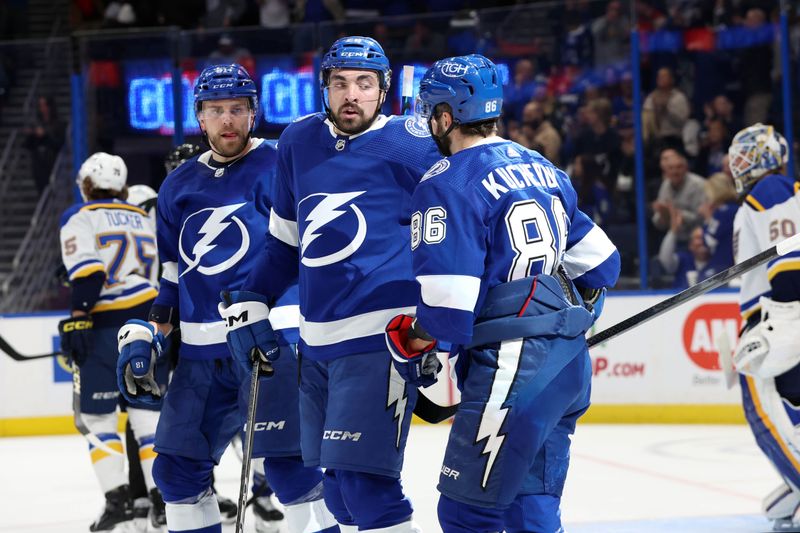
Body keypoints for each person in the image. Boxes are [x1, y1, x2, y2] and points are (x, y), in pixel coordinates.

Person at [384, 54, 620, 533]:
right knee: (530, 510)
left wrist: (411, 340)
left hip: (512, 366)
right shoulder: (543, 167)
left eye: (430, 111)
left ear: (446, 117)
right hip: (567, 365)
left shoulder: (446, 182)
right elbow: (603, 266)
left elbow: (448, 313)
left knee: (466, 513)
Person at [217, 36, 441, 532]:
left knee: (368, 487)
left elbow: (471, 216)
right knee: (338, 493)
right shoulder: (298, 141)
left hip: (382, 338)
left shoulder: (416, 142)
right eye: (340, 83)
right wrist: (252, 299)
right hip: (316, 346)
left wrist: (448, 321)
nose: (351, 95)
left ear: (383, 90)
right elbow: (283, 244)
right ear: (324, 88)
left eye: (364, 83)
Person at [114, 64, 335, 533]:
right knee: (175, 473)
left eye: (237, 109)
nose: (227, 120)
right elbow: (173, 279)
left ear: (253, 113)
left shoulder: (282, 163)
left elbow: (313, 251)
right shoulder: (176, 186)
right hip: (199, 355)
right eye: (216, 110)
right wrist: (151, 335)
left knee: (291, 472)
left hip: (270, 342)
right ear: (200, 116)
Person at [58, 152, 167, 532]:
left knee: (98, 418)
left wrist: (78, 317)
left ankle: (118, 500)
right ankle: (160, 499)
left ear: (86, 185)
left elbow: (89, 273)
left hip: (105, 326)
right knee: (147, 418)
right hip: (147, 322)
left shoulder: (80, 216)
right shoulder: (141, 216)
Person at [727, 123, 800, 532]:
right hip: (784, 314)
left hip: (777, 318)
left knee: (764, 416)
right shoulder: (774, 193)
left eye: (745, 154)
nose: (737, 164)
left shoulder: (771, 189)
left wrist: (783, 323)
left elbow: (791, 264)